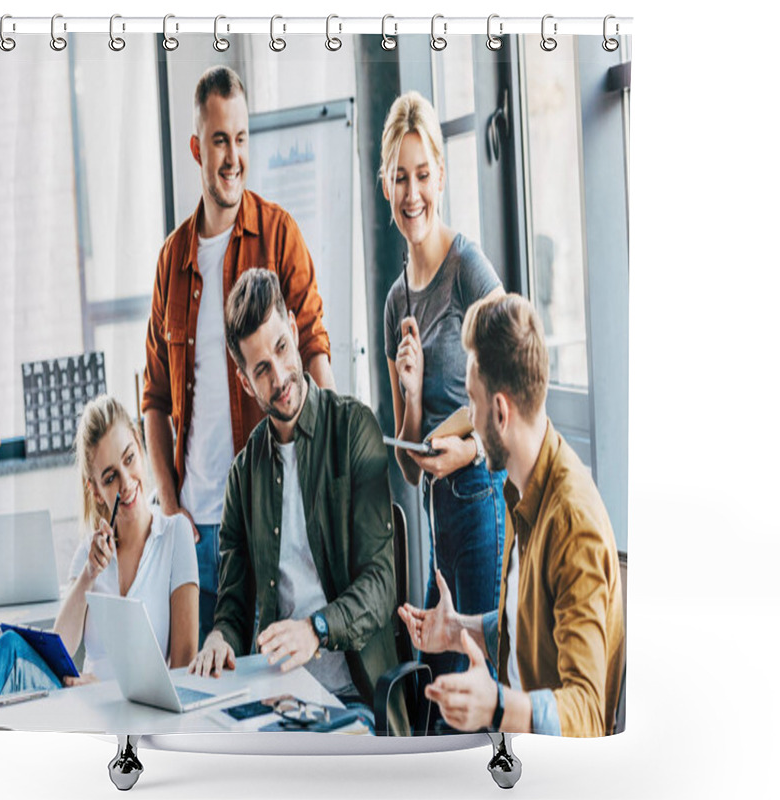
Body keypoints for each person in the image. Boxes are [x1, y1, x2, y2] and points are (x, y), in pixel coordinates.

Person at [143, 65, 335, 646]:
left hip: (273, 517)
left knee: (274, 687)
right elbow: (153, 398)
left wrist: (330, 475)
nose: (233, 157)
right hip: (198, 529)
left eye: (242, 139)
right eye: (221, 140)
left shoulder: (279, 235)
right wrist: (171, 506)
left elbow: (315, 357)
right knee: (206, 692)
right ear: (198, 147)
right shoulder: (171, 262)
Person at [188, 269, 405, 733]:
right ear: (245, 381)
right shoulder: (244, 476)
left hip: (353, 697)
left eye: (281, 348)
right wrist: (219, 637)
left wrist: (316, 630)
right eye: (261, 369)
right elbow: (232, 603)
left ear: (293, 325)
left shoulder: (353, 430)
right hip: (275, 699)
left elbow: (382, 583)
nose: (279, 376)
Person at [398, 294, 625, 737]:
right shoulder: (521, 492)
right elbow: (524, 631)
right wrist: (459, 629)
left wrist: (497, 707)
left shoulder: (573, 524)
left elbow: (588, 713)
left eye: (472, 401)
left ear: (499, 411)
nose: (470, 417)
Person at [380, 91, 507, 716]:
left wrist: (471, 447)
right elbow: (409, 465)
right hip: (436, 526)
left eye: (423, 175)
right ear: (385, 185)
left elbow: (523, 384)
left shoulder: (468, 270)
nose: (413, 194)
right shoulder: (396, 301)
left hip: (483, 504)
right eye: (400, 177)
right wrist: (408, 393)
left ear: (441, 176)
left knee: (482, 691)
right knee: (446, 694)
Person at [0, 396, 198, 701]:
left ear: (139, 445)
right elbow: (60, 650)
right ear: (96, 491)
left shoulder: (175, 535)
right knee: (8, 645)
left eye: (129, 459)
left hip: (141, 709)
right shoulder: (90, 554)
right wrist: (89, 574)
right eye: (110, 477)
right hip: (83, 705)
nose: (126, 483)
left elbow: (182, 668)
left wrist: (104, 690)